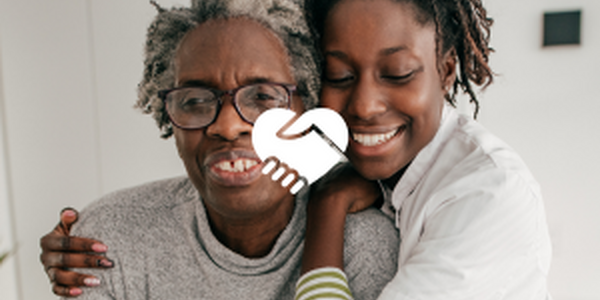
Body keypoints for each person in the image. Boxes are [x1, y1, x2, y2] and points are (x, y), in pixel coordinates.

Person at [39, 0, 399, 299]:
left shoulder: (365, 245)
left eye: (262, 97)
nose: (227, 127)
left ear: (310, 111)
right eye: (195, 100)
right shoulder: (110, 241)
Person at [295, 0, 552, 299]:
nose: (364, 106)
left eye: (397, 74)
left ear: (445, 72)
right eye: (339, 75)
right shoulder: (377, 170)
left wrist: (327, 207)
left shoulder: (488, 193)